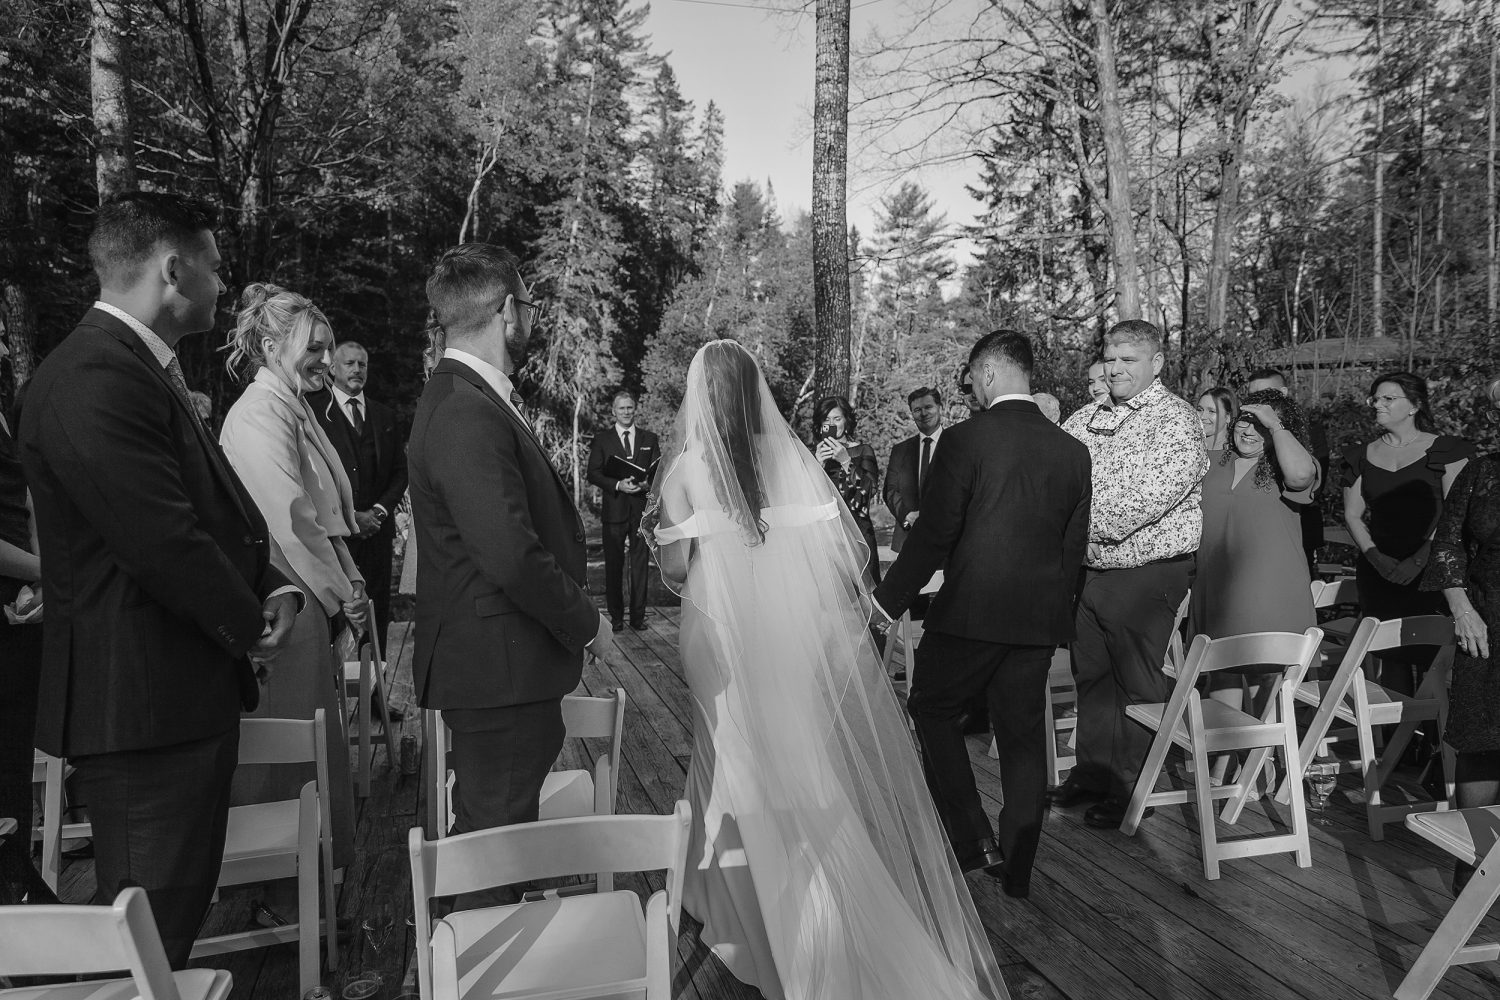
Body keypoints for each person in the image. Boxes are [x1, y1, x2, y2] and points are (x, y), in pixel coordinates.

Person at [645, 339, 1009, 1000]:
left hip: (717, 636)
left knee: (726, 753)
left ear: (700, 397)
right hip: (791, 634)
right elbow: (844, 554)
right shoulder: (795, 462)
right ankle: (776, 888)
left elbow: (673, 569)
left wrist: (702, 546)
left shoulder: (685, 469)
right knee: (797, 754)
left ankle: (736, 898)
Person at [17, 192, 299, 965]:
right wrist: (248, 625)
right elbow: (161, 539)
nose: (221, 282)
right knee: (148, 940)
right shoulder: (92, 376)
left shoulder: (137, 366)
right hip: (139, 708)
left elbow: (208, 506)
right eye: (213, 266)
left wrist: (271, 580)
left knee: (169, 925)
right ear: (172, 270)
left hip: (173, 699)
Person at [409, 243, 615, 906]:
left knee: (496, 830)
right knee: (494, 848)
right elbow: (509, 554)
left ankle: (466, 939)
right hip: (497, 667)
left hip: (499, 663)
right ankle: (473, 950)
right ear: (505, 310)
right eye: (527, 303)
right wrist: (585, 621)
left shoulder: (469, 396)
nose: (531, 315)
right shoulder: (465, 408)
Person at [876, 331, 1091, 899]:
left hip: (970, 615)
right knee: (1022, 737)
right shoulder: (1073, 451)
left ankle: (972, 841)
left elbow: (934, 536)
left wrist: (883, 604)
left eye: (971, 379)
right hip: (1038, 621)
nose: (970, 390)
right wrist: (1054, 615)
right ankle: (1018, 867)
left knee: (931, 707)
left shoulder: (964, 439)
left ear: (990, 374)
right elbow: (1072, 549)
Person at [219, 283, 365, 901]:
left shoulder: (293, 408)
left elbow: (326, 513)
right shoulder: (258, 413)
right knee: (287, 747)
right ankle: (275, 892)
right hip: (285, 593)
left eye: (328, 347)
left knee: (313, 739)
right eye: (314, 347)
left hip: (309, 587)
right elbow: (290, 517)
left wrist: (351, 576)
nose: (325, 360)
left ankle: (313, 883)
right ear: (271, 346)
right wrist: (341, 592)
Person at [1055, 319, 1206, 830]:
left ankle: (1131, 785)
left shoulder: (1176, 421)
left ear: (1156, 363)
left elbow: (1133, 506)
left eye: (1128, 360)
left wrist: (1064, 525)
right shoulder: (1084, 419)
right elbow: (1052, 480)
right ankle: (1092, 773)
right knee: (1092, 676)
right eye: (1110, 358)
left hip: (1147, 573)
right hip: (1088, 571)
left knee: (1136, 680)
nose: (1116, 368)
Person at [1190, 390, 1319, 784]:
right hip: (1218, 587)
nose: (1249, 430)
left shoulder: (1288, 464)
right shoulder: (1214, 460)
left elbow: (1301, 477)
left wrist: (1274, 425)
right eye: (1245, 420)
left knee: (1270, 676)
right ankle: (1223, 763)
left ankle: (1261, 765)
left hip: (1272, 590)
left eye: (1260, 424)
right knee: (1222, 672)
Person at [1341, 371, 1474, 704]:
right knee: (1391, 656)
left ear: (1415, 405)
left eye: (1389, 398)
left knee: (1434, 656)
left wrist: (1419, 560)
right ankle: (1397, 734)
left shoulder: (1446, 451)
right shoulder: (1359, 455)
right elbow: (1352, 515)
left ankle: (1435, 733)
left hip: (1434, 571)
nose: (1378, 405)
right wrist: (1377, 559)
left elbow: (1455, 514)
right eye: (1375, 398)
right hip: (1380, 572)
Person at [1423, 375, 1500, 892]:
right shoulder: (1481, 472)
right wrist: (1461, 607)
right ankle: (1473, 867)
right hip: (1486, 624)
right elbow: (1447, 542)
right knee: (1481, 741)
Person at [309, 340, 409, 660]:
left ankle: (376, 684)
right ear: (333, 369)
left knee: (376, 611)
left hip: (377, 533)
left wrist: (378, 512)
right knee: (338, 614)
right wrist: (352, 515)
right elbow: (314, 473)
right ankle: (336, 685)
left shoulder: (384, 415)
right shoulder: (314, 413)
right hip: (336, 534)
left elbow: (400, 472)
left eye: (362, 364)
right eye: (349, 363)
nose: (356, 370)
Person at [0, 338, 55, 906]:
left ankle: (18, 879)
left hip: (19, 606)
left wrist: (40, 579)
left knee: (12, 762)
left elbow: (23, 505)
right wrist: (52, 572)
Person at [586, 390, 659, 631]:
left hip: (641, 512)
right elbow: (593, 473)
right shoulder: (602, 439)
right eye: (622, 408)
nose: (626, 412)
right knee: (613, 565)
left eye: (629, 407)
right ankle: (616, 618)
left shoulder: (650, 438)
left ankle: (638, 618)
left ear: (635, 409)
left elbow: (658, 471)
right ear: (613, 411)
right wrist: (618, 484)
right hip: (614, 511)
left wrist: (647, 484)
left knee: (640, 565)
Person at [1245, 367, 1327, 570]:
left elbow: (1310, 482)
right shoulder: (1245, 430)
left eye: (1265, 395)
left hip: (1296, 529)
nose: (1258, 402)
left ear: (1283, 393)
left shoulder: (1309, 430)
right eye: (1252, 396)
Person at [811, 395, 882, 584]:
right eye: (826, 420)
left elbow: (869, 492)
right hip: (826, 535)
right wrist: (818, 465)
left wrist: (846, 461)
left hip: (858, 532)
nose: (831, 424)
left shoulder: (863, 450)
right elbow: (805, 496)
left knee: (865, 589)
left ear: (846, 421)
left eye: (837, 419)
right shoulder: (813, 454)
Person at [883, 386, 944, 554]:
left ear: (940, 407)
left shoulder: (957, 445)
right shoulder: (900, 450)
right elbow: (889, 490)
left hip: (947, 541)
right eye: (917, 410)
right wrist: (907, 516)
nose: (923, 413)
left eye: (928, 407)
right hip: (907, 539)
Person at [1197, 386, 1238, 452]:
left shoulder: (1234, 455)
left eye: (1211, 411)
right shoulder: (1187, 446)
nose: (1202, 417)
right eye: (1200, 410)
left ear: (1228, 417)